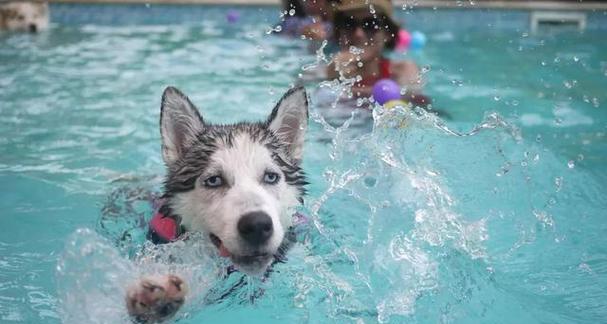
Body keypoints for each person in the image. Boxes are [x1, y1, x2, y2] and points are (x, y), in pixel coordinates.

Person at [326, 0, 430, 106]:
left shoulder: (402, 70)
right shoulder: (327, 70)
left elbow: (414, 99)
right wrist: (332, 77)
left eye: (370, 24)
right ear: (339, 33)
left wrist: (341, 91)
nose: (358, 34)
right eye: (349, 24)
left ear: (388, 34)